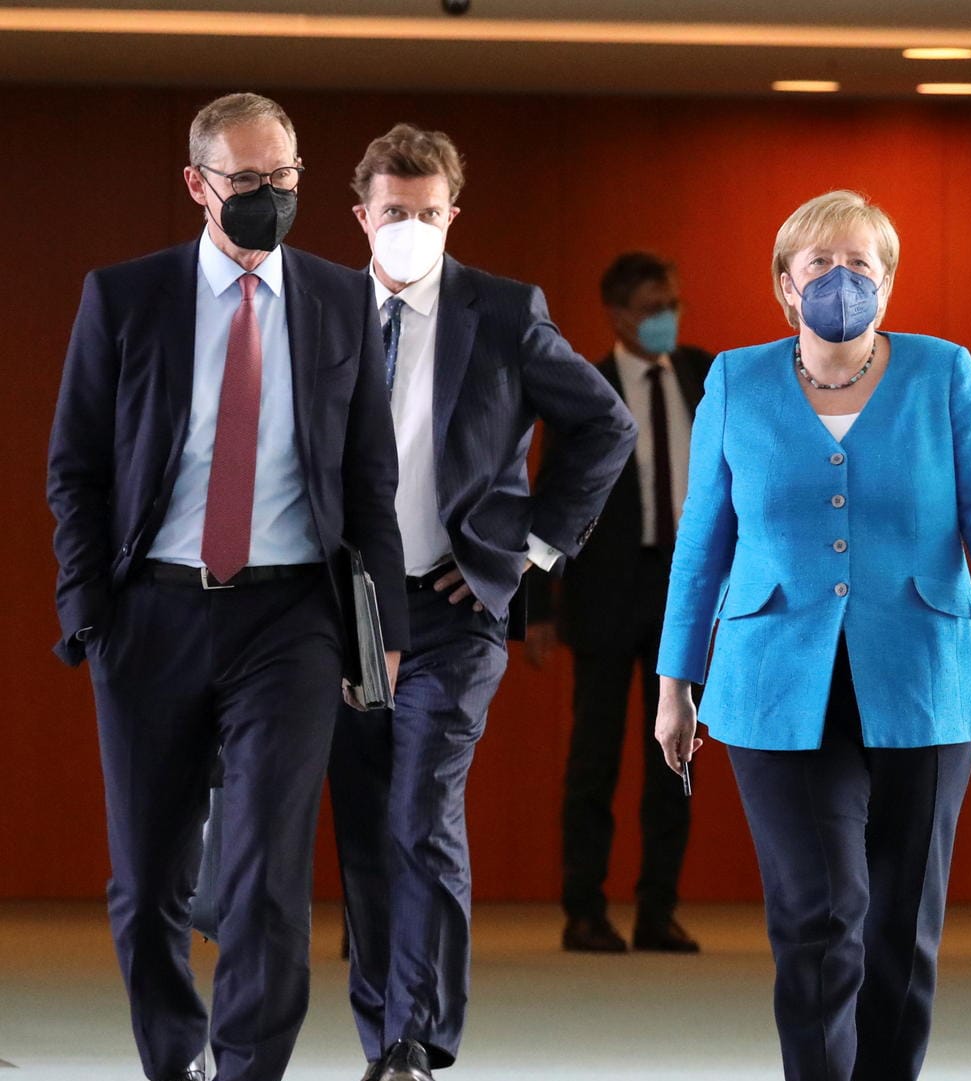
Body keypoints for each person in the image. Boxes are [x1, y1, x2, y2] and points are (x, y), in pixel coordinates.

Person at [652, 190, 971, 1081]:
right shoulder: (735, 379)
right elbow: (703, 539)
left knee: (901, 924)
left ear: (890, 281)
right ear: (785, 286)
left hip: (923, 674)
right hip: (772, 680)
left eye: (860, 265)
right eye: (820, 265)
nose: (841, 280)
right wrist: (675, 682)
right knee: (818, 915)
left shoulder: (943, 372)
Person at [46, 92, 407, 1081]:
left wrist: (381, 627)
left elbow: (370, 477)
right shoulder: (127, 297)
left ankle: (250, 1066)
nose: (270, 197)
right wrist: (91, 611)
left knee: (264, 876)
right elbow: (74, 467)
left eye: (285, 178)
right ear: (198, 185)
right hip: (152, 611)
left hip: (289, 619)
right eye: (247, 182)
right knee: (149, 877)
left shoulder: (340, 298)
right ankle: (175, 1056)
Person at [327, 123, 637, 1081]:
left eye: (429, 213)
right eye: (394, 213)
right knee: (366, 826)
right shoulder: (319, 309)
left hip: (455, 613)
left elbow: (603, 423)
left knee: (422, 810)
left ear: (453, 215)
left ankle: (415, 1039)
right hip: (341, 612)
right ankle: (382, 1030)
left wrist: (532, 545)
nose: (411, 228)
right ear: (360, 217)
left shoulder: (504, 312)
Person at [525, 252, 712, 954]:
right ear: (618, 314)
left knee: (676, 755)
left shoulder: (703, 374)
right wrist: (538, 606)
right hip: (604, 593)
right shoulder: (588, 386)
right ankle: (584, 908)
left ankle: (658, 907)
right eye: (654, 306)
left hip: (685, 590)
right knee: (594, 758)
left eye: (675, 304)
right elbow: (549, 499)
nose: (669, 317)